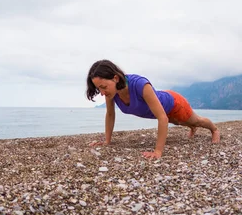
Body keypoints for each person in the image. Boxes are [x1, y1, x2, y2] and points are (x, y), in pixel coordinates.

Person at [86, 59, 220, 158]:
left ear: (115, 78)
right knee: (178, 122)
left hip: (175, 103)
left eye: (103, 87)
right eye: (99, 89)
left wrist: (158, 151)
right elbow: (110, 115)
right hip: (164, 106)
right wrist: (107, 141)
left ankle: (214, 130)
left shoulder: (139, 84)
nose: (102, 92)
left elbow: (162, 117)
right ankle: (191, 127)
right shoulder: (111, 93)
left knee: (195, 120)